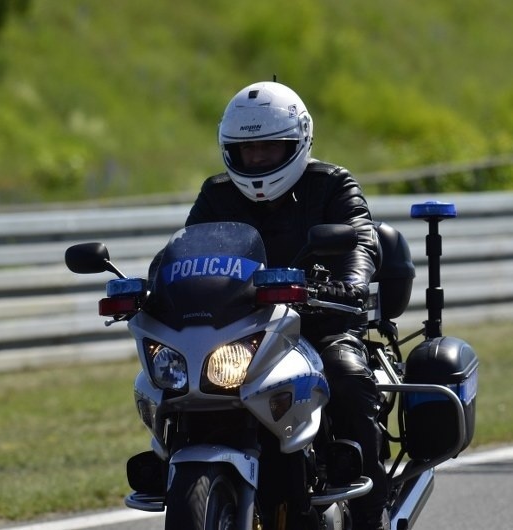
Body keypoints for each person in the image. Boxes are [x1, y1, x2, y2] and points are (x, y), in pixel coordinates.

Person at [184, 81, 388, 530]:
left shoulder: (332, 185)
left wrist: (349, 283)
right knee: (180, 384)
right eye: (247, 151)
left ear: (298, 142)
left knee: (347, 376)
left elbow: (359, 239)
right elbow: (190, 253)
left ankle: (372, 512)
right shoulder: (216, 195)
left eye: (269, 149)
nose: (256, 160)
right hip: (241, 332)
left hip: (319, 321)